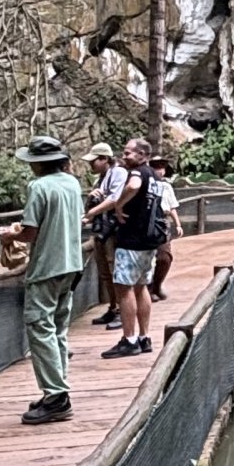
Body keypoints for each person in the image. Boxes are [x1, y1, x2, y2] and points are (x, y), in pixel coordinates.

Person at [6, 135, 86, 425]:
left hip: (47, 268)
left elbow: (29, 233)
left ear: (38, 164)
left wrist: (9, 235)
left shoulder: (38, 187)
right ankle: (56, 390)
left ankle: (56, 397)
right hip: (72, 265)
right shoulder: (72, 183)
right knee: (58, 328)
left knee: (39, 327)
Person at [101, 137, 165, 358]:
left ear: (142, 155)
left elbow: (133, 185)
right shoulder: (155, 177)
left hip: (132, 241)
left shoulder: (137, 173)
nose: (124, 156)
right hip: (149, 242)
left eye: (129, 152)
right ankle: (144, 337)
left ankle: (129, 340)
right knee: (141, 286)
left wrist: (118, 204)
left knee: (124, 287)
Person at [83, 142, 124, 329]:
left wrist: (92, 213)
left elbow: (115, 199)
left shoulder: (119, 174)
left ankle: (122, 311)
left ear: (104, 159)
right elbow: (91, 205)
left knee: (115, 270)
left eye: (94, 160)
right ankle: (113, 306)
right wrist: (91, 199)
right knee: (105, 272)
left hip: (115, 231)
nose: (90, 164)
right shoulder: (99, 179)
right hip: (101, 231)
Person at [147, 153, 181, 301]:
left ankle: (157, 285)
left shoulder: (167, 186)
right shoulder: (145, 184)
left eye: (162, 167)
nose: (160, 171)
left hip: (162, 222)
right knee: (147, 258)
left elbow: (172, 206)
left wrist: (178, 224)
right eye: (156, 167)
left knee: (164, 257)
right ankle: (148, 290)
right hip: (147, 222)